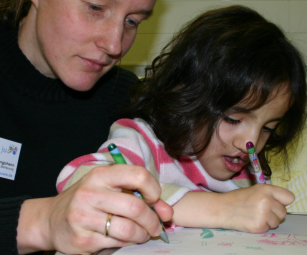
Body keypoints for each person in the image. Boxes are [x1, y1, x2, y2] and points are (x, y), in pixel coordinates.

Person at [57, 6, 307, 234]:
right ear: (189, 96)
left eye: (268, 128)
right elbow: (75, 180)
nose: (251, 142)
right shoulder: (143, 142)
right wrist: (218, 209)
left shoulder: (248, 174)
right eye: (233, 119)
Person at [0, 0, 173, 255]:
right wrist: (44, 222)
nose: (114, 44)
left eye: (132, 21)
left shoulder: (125, 102)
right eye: (95, 7)